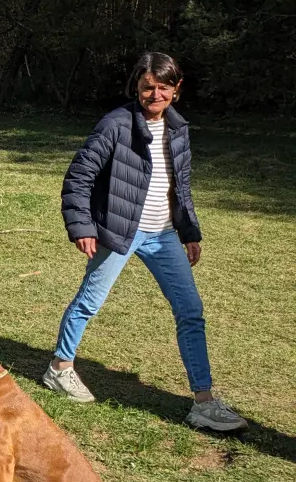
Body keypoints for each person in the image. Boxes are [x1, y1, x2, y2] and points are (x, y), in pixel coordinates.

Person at [49, 52, 248, 432]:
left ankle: (203, 402)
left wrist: (189, 231)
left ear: (176, 88)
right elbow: (78, 178)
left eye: (163, 87)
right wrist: (83, 227)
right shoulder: (116, 125)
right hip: (119, 230)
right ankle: (59, 367)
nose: (154, 94)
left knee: (190, 310)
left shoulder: (178, 128)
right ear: (136, 88)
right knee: (90, 302)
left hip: (163, 235)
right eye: (147, 87)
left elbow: (181, 186)